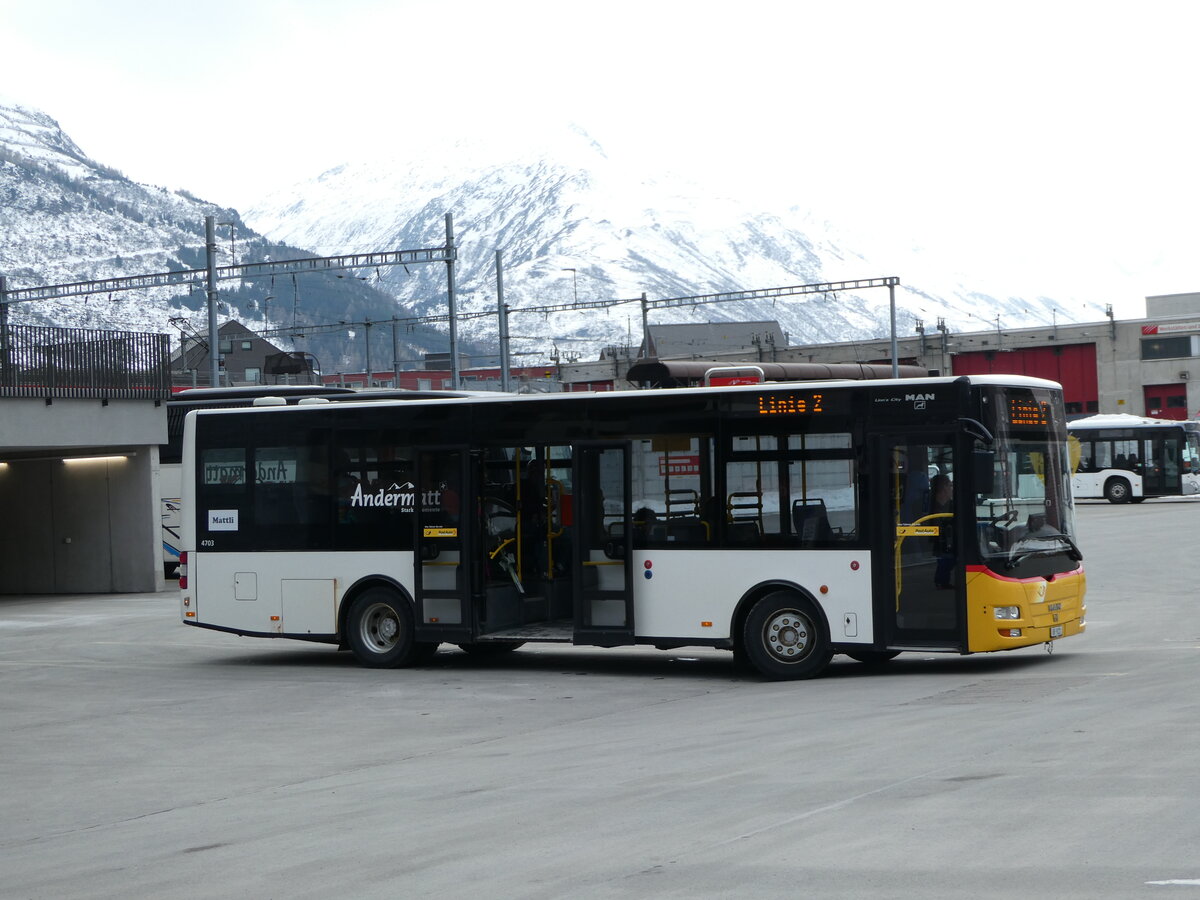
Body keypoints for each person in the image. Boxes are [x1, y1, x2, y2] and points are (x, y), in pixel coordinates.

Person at [929, 474, 955, 589]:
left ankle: (942, 580)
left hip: (948, 539)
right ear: (944, 488)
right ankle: (941, 581)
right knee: (946, 559)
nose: (951, 488)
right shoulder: (927, 505)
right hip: (939, 540)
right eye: (950, 485)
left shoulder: (953, 504)